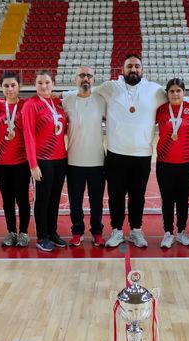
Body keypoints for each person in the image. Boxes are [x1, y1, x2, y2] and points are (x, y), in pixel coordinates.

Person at [92, 54, 166, 248]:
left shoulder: (155, 90)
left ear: (142, 69)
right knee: (115, 195)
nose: (133, 69)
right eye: (129, 66)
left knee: (137, 196)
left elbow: (178, 97)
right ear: (122, 70)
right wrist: (62, 96)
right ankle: (116, 231)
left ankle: (135, 230)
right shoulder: (110, 87)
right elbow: (85, 93)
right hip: (116, 154)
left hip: (142, 155)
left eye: (137, 66)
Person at [22, 70, 68, 252]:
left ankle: (52, 232)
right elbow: (29, 136)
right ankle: (42, 236)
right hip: (42, 160)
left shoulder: (57, 104)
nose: (44, 86)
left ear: (53, 84)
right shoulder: (30, 105)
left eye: (47, 82)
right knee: (42, 200)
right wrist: (33, 164)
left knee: (55, 199)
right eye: (40, 83)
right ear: (35, 85)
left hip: (60, 159)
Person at [62, 66, 107, 247]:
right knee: (75, 201)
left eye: (89, 75)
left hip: (97, 160)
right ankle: (77, 231)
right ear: (75, 79)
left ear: (93, 79)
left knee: (97, 201)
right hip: (74, 160)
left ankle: (97, 232)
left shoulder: (101, 100)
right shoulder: (66, 100)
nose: (85, 78)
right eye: (82, 75)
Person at [155, 78, 189, 248]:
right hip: (164, 163)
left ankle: (181, 232)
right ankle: (168, 233)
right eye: (172, 91)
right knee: (167, 200)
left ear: (184, 92)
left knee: (183, 200)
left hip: (186, 163)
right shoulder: (160, 110)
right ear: (167, 94)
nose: (175, 94)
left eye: (178, 91)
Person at [0, 71, 31, 247]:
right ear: (1, 88)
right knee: (7, 200)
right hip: (1, 163)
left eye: (13, 85)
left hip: (22, 162)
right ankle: (11, 232)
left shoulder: (27, 105)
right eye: (6, 86)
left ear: (19, 87)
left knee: (22, 199)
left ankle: (23, 232)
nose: (9, 89)